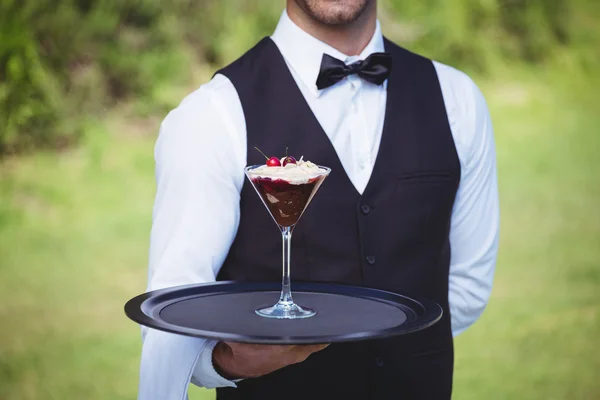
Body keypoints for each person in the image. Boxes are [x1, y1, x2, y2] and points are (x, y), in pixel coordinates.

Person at [138, 0, 499, 399]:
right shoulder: (211, 114)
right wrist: (227, 362)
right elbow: (170, 315)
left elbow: (467, 287)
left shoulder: (458, 99)